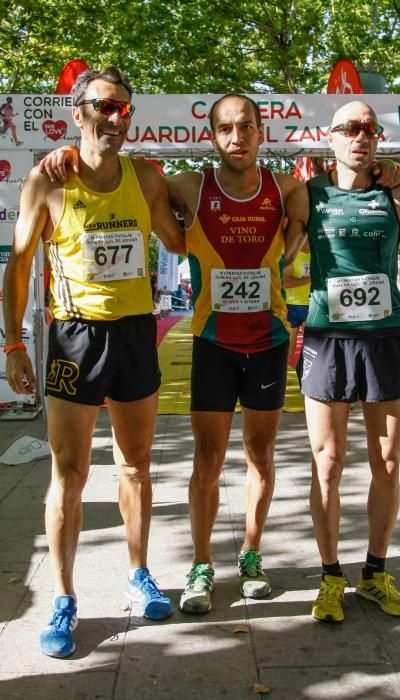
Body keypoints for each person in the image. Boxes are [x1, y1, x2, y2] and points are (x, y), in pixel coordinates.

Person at [39, 93, 400, 616]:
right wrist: (66, 155)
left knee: (261, 457)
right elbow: (123, 174)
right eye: (226, 128)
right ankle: (202, 565)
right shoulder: (189, 185)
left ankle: (252, 556)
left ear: (260, 133)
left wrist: (386, 169)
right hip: (212, 342)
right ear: (212, 136)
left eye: (246, 127)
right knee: (206, 461)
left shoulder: (291, 190)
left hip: (270, 342)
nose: (237, 137)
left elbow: (341, 184)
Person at [2, 66, 185, 658]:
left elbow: (179, 242)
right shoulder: (46, 181)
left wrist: (191, 192)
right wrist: (13, 344)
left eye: (125, 109)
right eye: (104, 107)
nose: (116, 118)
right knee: (70, 476)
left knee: (135, 467)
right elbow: (19, 267)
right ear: (78, 112)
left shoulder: (146, 177)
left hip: (133, 335)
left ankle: (138, 573)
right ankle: (63, 596)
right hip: (76, 338)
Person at [286, 100, 400, 623]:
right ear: (330, 138)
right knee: (329, 464)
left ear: (378, 140)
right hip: (327, 339)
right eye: (350, 128)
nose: (361, 136)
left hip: (383, 340)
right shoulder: (307, 193)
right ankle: (330, 577)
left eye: (369, 129)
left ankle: (376, 571)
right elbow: (281, 255)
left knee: (386, 462)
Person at [283, 238, 311, 362]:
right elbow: (287, 282)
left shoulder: (315, 255)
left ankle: (309, 378)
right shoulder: (292, 256)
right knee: (289, 350)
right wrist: (311, 278)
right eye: (306, 240)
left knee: (311, 349)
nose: (309, 243)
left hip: (310, 305)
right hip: (291, 306)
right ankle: (281, 379)